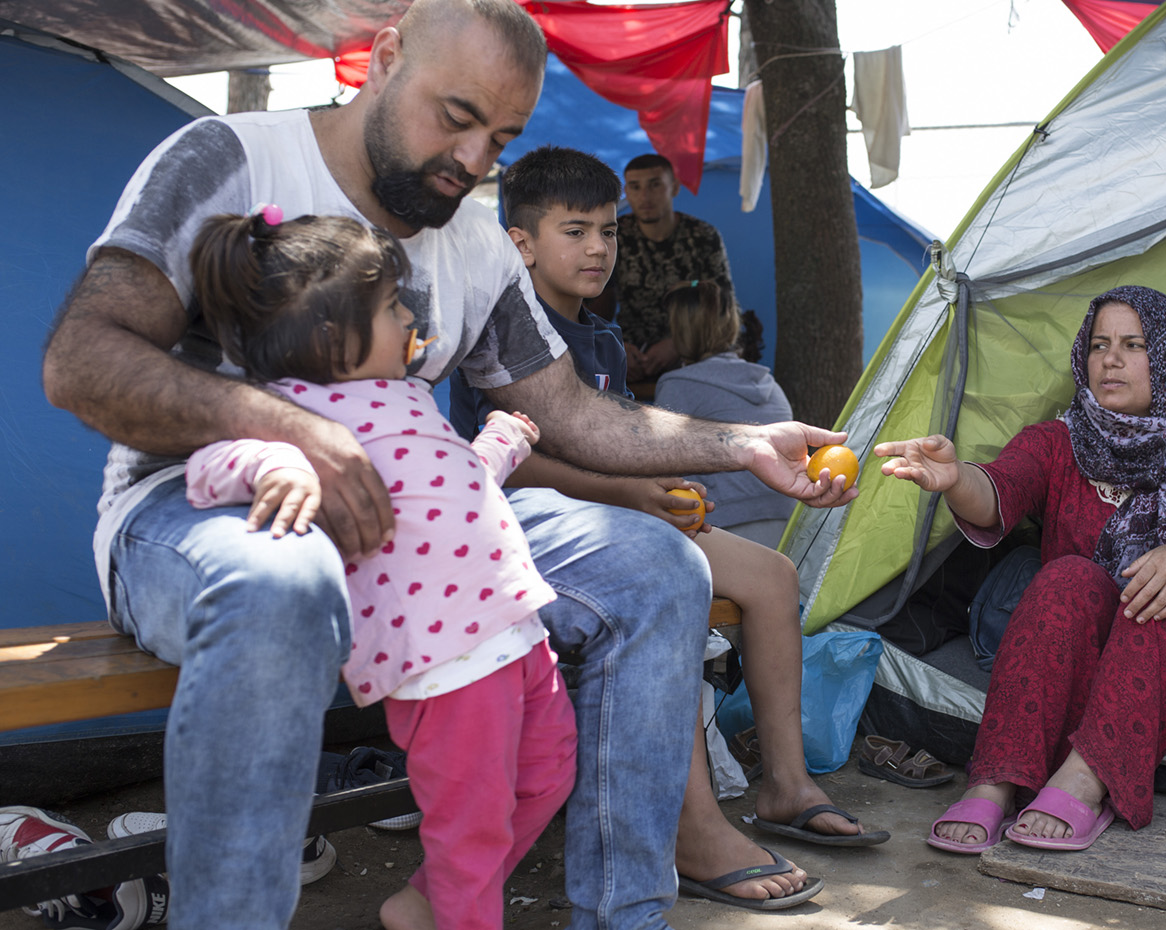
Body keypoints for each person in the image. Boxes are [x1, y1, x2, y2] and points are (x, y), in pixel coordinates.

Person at [39, 3, 854, 930]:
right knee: (282, 583)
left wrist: (741, 442)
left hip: (417, 521)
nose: (472, 161)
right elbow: (82, 358)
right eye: (456, 117)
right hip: (203, 509)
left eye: (500, 137)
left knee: (659, 565)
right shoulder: (231, 158)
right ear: (384, 59)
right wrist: (286, 429)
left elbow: (569, 410)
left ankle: (627, 913)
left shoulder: (472, 238)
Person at [451, 144, 881, 913]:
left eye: (609, 232)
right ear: (519, 243)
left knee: (773, 576)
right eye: (575, 231)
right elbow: (508, 464)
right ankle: (695, 822)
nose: (598, 248)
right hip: (532, 531)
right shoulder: (498, 332)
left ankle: (786, 783)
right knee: (664, 583)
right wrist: (635, 493)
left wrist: (665, 491)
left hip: (620, 517)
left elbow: (621, 448)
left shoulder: (606, 340)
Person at [182, 209, 574, 930]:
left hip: (514, 628)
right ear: (335, 340)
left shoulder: (405, 391)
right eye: (394, 306)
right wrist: (274, 460)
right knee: (473, 828)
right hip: (445, 657)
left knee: (548, 774)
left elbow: (446, 490)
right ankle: (454, 913)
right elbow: (205, 468)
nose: (410, 318)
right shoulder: (290, 410)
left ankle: (423, 903)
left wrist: (501, 444)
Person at [875, 285, 1166, 854]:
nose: (1111, 359)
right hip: (1100, 674)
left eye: (1133, 345)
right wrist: (955, 479)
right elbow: (1002, 489)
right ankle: (996, 780)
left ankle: (1084, 779)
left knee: (1163, 588)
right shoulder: (1064, 439)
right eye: (1099, 345)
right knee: (1067, 576)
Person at [653, 280, 795, 549]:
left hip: (724, 524)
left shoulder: (678, 385)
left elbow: (658, 469)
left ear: (679, 331)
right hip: (787, 520)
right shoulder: (770, 384)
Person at [594, 153, 734, 381]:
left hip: (694, 347)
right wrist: (614, 345)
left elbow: (721, 304)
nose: (645, 196)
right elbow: (598, 304)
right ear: (626, 193)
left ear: (675, 188)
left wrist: (680, 344)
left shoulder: (701, 236)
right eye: (635, 187)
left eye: (655, 185)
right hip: (632, 352)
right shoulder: (616, 237)